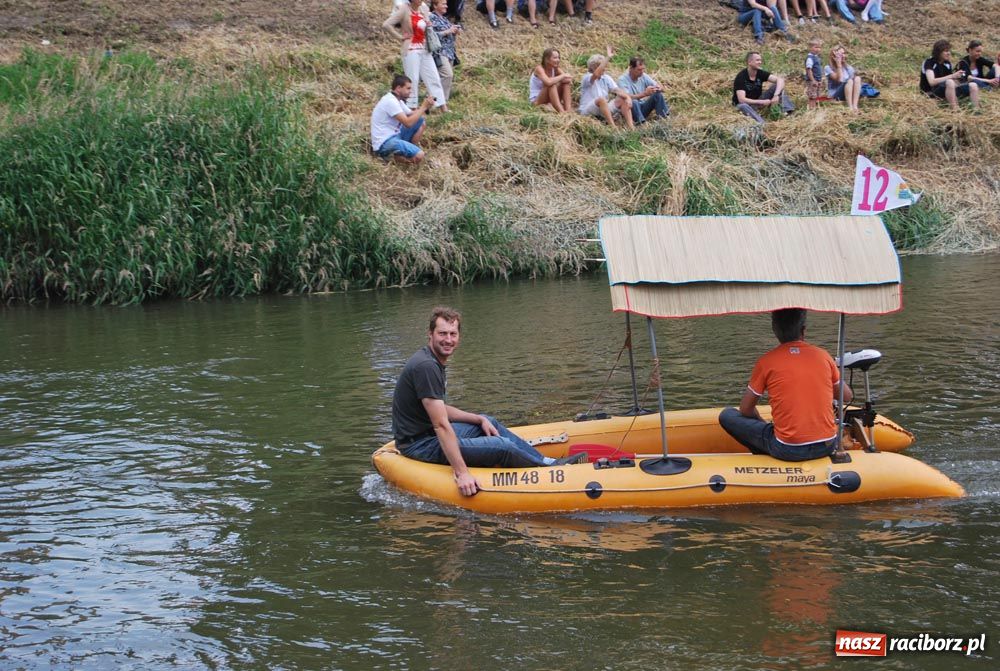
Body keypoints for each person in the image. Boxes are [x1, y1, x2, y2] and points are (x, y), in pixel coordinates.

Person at [392, 307, 585, 497]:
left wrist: (478, 418)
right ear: (430, 334)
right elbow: (441, 425)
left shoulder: (432, 360)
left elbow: (439, 409)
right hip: (420, 444)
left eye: (453, 334)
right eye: (442, 333)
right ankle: (551, 471)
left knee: (487, 421)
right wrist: (462, 473)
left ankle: (547, 462)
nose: (448, 340)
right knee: (502, 447)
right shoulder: (426, 366)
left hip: (428, 435)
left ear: (459, 336)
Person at [719, 308, 853, 462]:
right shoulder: (823, 356)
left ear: (774, 330)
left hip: (788, 449)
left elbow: (746, 409)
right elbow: (847, 396)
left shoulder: (766, 361)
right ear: (803, 330)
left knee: (727, 415)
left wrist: (761, 423)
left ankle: (764, 455)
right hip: (827, 445)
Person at [384, 0, 448, 111]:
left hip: (424, 48)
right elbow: (386, 25)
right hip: (411, 49)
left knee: (433, 77)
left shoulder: (423, 8)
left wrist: (428, 24)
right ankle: (412, 108)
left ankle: (442, 106)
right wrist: (400, 37)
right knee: (412, 79)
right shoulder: (404, 9)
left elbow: (427, 25)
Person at [370, 74, 434, 164]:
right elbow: (408, 123)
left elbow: (412, 114)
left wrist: (426, 106)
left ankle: (410, 149)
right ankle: (392, 158)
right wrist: (423, 107)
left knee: (420, 121)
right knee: (419, 156)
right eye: (408, 88)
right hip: (385, 142)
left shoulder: (397, 100)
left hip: (395, 136)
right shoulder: (390, 101)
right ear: (399, 88)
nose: (410, 91)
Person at [579, 47, 635, 129]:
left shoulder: (606, 78)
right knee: (601, 100)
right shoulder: (587, 77)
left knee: (622, 99)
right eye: (601, 66)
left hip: (603, 108)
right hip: (588, 109)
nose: (604, 68)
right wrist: (608, 57)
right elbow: (596, 74)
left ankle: (631, 127)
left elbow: (617, 90)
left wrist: (627, 97)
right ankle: (613, 127)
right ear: (594, 67)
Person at [733, 51, 795, 123]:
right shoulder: (741, 77)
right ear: (749, 62)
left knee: (777, 87)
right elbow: (742, 100)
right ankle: (762, 123)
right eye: (757, 60)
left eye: (760, 60)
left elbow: (780, 80)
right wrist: (761, 102)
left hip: (758, 100)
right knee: (742, 106)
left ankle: (788, 112)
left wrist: (776, 95)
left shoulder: (760, 72)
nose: (760, 62)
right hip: (747, 105)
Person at [921, 39, 980, 111]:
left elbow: (951, 81)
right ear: (938, 52)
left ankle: (976, 109)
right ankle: (955, 109)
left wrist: (960, 79)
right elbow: (932, 82)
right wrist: (952, 76)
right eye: (946, 51)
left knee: (973, 85)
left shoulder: (947, 63)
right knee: (950, 82)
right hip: (931, 92)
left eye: (949, 51)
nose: (949, 53)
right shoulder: (929, 62)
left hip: (946, 89)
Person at [617, 56, 670, 123]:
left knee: (658, 95)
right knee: (634, 102)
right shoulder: (622, 80)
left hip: (643, 106)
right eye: (639, 70)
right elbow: (626, 97)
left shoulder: (643, 76)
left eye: (643, 69)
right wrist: (645, 94)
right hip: (631, 109)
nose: (642, 72)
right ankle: (640, 122)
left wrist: (658, 88)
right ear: (631, 68)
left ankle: (664, 117)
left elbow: (659, 86)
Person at [430, 0, 461, 102]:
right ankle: (440, 102)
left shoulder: (444, 19)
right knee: (447, 75)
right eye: (443, 4)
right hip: (439, 53)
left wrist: (454, 31)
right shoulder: (431, 17)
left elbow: (449, 36)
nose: (446, 6)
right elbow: (431, 35)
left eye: (446, 4)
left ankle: (436, 101)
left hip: (449, 53)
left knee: (443, 77)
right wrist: (448, 31)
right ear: (435, 6)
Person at [529, 47, 574, 113]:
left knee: (566, 84)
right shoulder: (539, 69)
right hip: (537, 100)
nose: (558, 60)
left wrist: (562, 79)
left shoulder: (555, 68)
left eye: (558, 58)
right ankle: (562, 112)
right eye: (555, 58)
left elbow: (569, 80)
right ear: (547, 59)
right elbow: (548, 82)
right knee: (551, 85)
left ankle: (568, 110)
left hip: (549, 97)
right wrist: (562, 76)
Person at [825, 45, 862, 112]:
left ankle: (855, 106)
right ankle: (850, 108)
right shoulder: (828, 68)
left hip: (848, 93)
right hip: (836, 94)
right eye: (840, 54)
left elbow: (854, 82)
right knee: (849, 81)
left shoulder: (848, 68)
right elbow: (839, 80)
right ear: (834, 56)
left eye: (844, 53)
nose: (843, 56)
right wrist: (839, 65)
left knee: (857, 78)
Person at [804, 38, 824, 110]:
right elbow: (809, 70)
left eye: (819, 47)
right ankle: (811, 108)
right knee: (812, 95)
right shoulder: (810, 58)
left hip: (818, 80)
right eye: (816, 47)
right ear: (810, 48)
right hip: (812, 80)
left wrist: (820, 79)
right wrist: (812, 80)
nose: (818, 49)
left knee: (817, 94)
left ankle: (816, 107)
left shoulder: (816, 57)